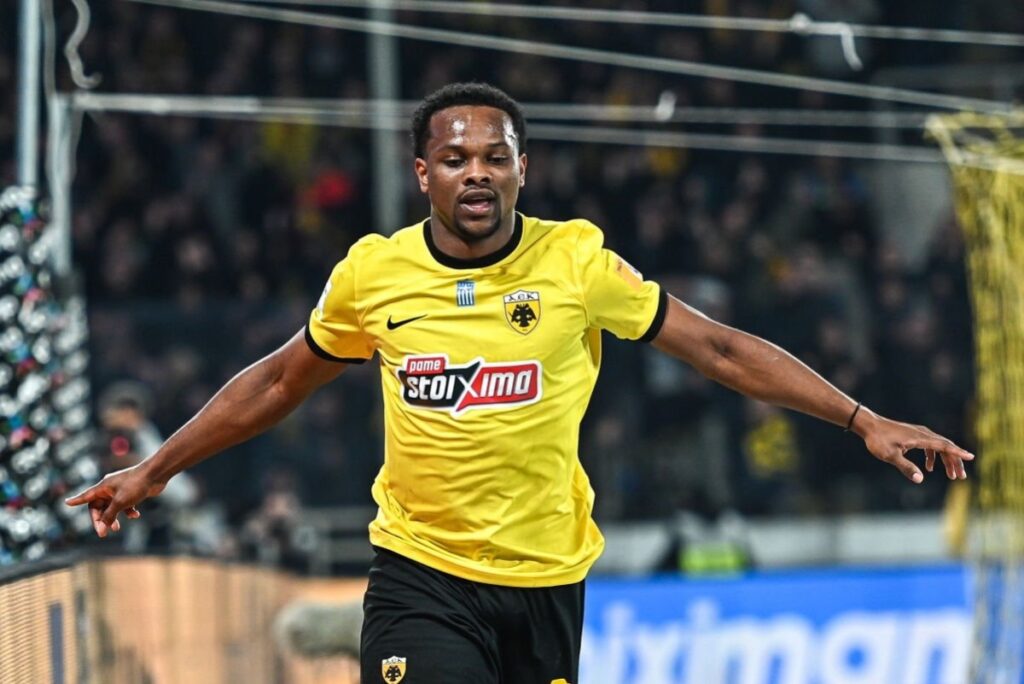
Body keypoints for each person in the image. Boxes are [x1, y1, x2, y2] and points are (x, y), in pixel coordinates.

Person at [67, 82, 974, 684]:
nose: (477, 173)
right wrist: (156, 469)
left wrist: (859, 418)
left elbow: (720, 351)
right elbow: (276, 384)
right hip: (421, 574)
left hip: (547, 582)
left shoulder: (575, 263)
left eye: (495, 157)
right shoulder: (373, 275)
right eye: (455, 158)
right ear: (423, 173)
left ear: (521, 168)